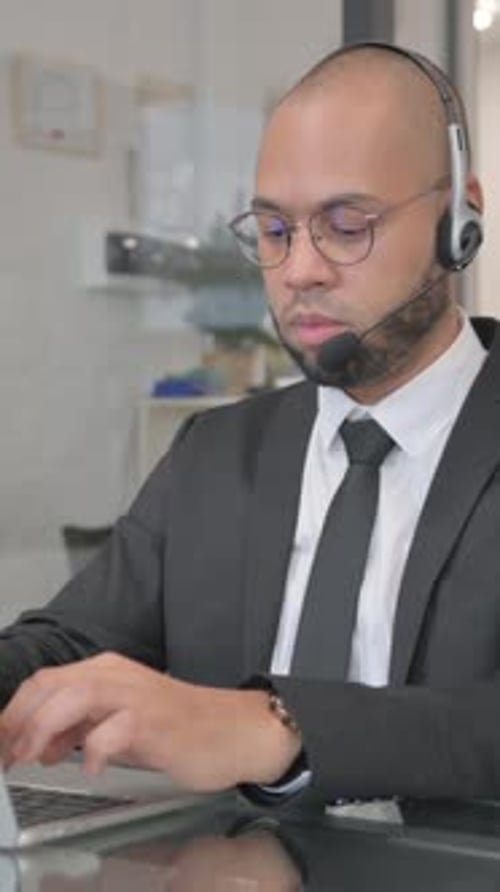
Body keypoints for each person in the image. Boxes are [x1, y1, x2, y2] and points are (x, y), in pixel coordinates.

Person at [1, 41, 500, 806]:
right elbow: (66, 647)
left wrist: (274, 728)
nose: (299, 270)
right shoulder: (215, 454)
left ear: (460, 216)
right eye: (274, 232)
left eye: (346, 224)